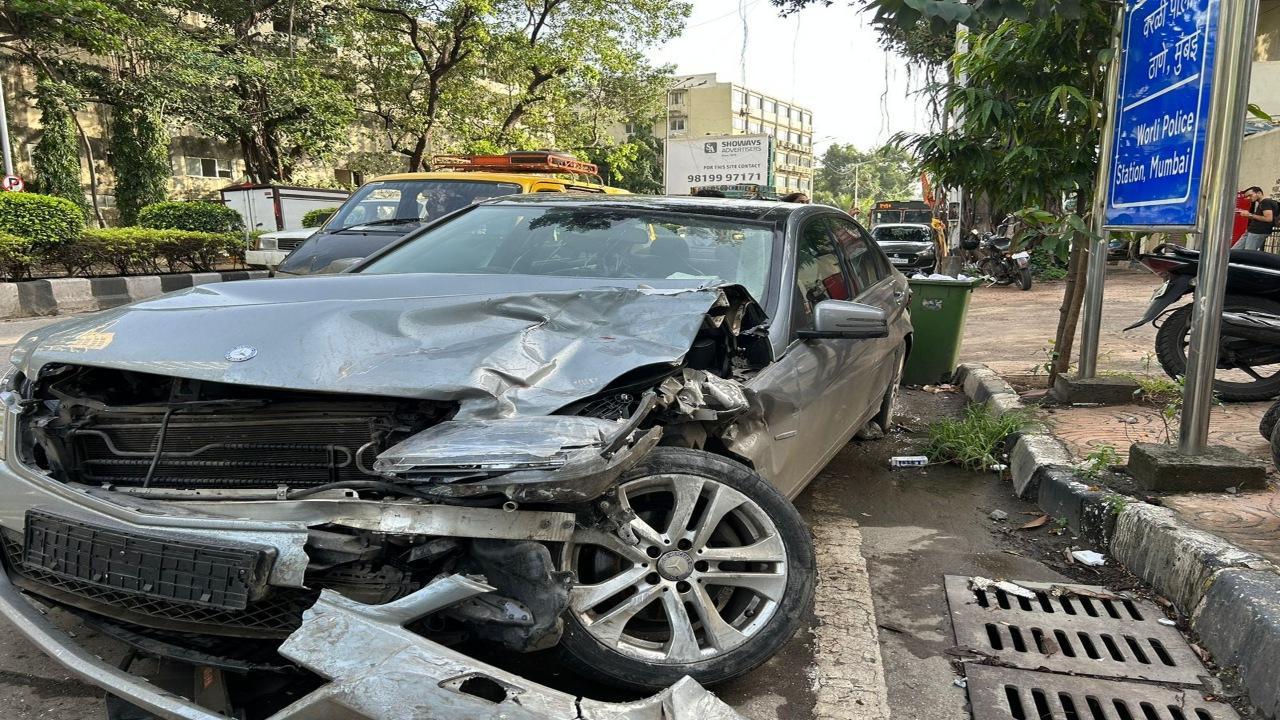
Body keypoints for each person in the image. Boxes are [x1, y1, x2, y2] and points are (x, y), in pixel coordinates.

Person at [1235, 186, 1277, 251]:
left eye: (1250, 195)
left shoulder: (1266, 202)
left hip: (1258, 232)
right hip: (1251, 231)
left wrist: (1249, 214)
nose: (1249, 198)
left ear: (1259, 193)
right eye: (1247, 197)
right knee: (1235, 251)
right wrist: (1248, 215)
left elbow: (1268, 219)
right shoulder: (1262, 203)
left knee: (1248, 253)